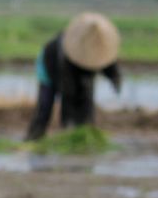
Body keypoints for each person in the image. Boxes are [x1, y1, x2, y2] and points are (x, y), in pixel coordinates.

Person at [25, 12, 122, 141]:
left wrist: (115, 79)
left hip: (79, 72)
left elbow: (109, 65)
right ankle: (35, 136)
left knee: (86, 100)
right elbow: (67, 92)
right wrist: (68, 124)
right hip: (50, 69)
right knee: (45, 105)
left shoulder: (97, 47)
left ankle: (86, 132)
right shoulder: (66, 48)